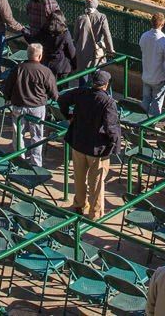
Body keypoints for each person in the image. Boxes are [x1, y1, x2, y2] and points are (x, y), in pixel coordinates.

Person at [59, 68, 121, 221]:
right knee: (97, 184)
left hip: (78, 142)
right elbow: (110, 127)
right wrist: (116, 144)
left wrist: (68, 116)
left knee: (79, 178)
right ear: (106, 85)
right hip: (97, 149)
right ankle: (95, 214)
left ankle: (79, 205)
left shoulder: (81, 92)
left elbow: (62, 100)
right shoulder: (108, 102)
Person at [4, 42, 58, 168]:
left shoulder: (18, 68)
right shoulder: (45, 71)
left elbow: (7, 87)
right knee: (37, 136)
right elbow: (53, 93)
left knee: (18, 134)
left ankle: (19, 160)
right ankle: (36, 163)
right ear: (40, 56)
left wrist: (7, 98)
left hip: (18, 106)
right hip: (37, 108)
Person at [139, 13, 165, 118]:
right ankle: (151, 126)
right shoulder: (164, 41)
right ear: (162, 24)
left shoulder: (144, 36)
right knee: (157, 102)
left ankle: (141, 125)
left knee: (145, 100)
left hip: (146, 76)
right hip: (159, 78)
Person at [71, 0, 115, 73]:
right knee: (96, 75)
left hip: (82, 53)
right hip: (96, 52)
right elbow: (107, 34)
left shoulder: (80, 18)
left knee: (82, 76)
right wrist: (110, 50)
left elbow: (75, 37)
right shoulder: (102, 17)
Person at [34, 12, 76, 78]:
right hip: (62, 67)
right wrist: (74, 65)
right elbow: (71, 50)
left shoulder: (44, 29)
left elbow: (36, 40)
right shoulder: (65, 33)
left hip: (47, 64)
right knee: (62, 87)